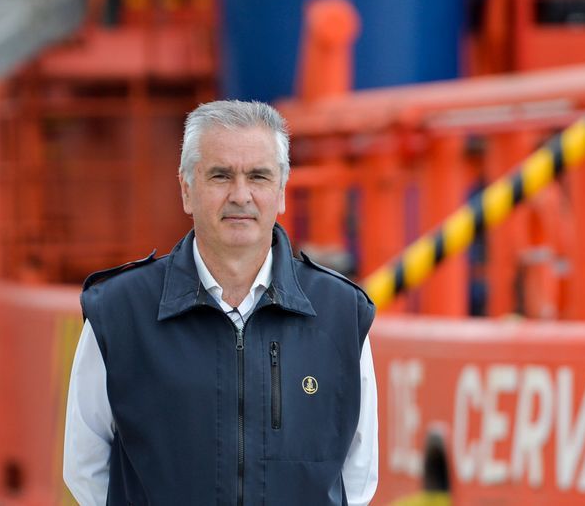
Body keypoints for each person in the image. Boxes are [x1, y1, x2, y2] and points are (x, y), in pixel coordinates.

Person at [62, 100, 378, 505]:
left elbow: (358, 475)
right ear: (186, 189)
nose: (241, 195)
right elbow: (85, 469)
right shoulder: (121, 312)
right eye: (220, 175)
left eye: (259, 176)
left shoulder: (341, 316)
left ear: (281, 191)